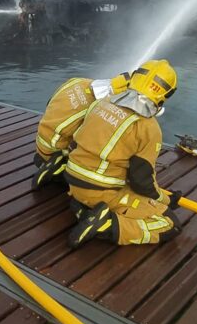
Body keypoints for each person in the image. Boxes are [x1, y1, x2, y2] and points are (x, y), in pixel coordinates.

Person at [64, 59, 182, 248]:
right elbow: (141, 182)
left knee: (133, 196)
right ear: (165, 94)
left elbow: (74, 143)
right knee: (169, 223)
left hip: (72, 182)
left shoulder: (102, 103)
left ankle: (84, 208)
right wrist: (166, 199)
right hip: (100, 192)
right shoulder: (148, 127)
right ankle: (106, 225)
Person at [32, 71, 132, 189]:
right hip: (55, 150)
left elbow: (50, 103)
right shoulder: (98, 108)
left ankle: (48, 160)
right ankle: (60, 167)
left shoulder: (78, 81)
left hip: (41, 142)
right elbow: (88, 142)